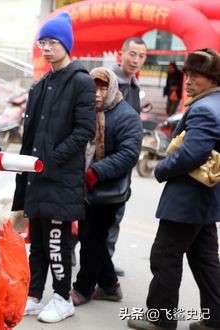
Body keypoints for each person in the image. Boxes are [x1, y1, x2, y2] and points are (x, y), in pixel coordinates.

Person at [11, 12, 96, 323]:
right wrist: (27, 167)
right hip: (37, 176)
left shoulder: (81, 81)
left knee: (58, 242)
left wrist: (54, 158)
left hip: (61, 178)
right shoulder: (41, 83)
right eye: (42, 42)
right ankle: (34, 295)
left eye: (53, 42)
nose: (46, 48)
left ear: (66, 45)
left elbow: (85, 130)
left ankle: (62, 297)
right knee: (39, 245)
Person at [128, 48, 220, 330]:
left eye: (196, 76)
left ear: (213, 79)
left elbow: (191, 154)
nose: (189, 80)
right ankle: (215, 318)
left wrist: (161, 167)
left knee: (165, 255)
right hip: (204, 201)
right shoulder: (215, 102)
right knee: (205, 260)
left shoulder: (205, 109)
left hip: (187, 202)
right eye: (188, 75)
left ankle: (160, 319)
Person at [70, 67, 142, 306]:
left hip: (108, 192)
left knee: (91, 240)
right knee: (93, 238)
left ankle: (83, 288)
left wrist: (96, 172)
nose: (97, 93)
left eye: (102, 88)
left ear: (112, 88)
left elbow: (129, 153)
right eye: (93, 87)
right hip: (84, 188)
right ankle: (110, 286)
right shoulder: (86, 112)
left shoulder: (126, 116)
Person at [108, 37, 148, 278]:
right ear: (121, 54)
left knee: (115, 215)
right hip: (100, 161)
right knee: (85, 215)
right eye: (132, 54)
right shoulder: (105, 80)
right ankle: (72, 256)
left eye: (141, 56)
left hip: (123, 163)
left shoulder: (134, 87)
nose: (136, 60)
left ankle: (106, 261)